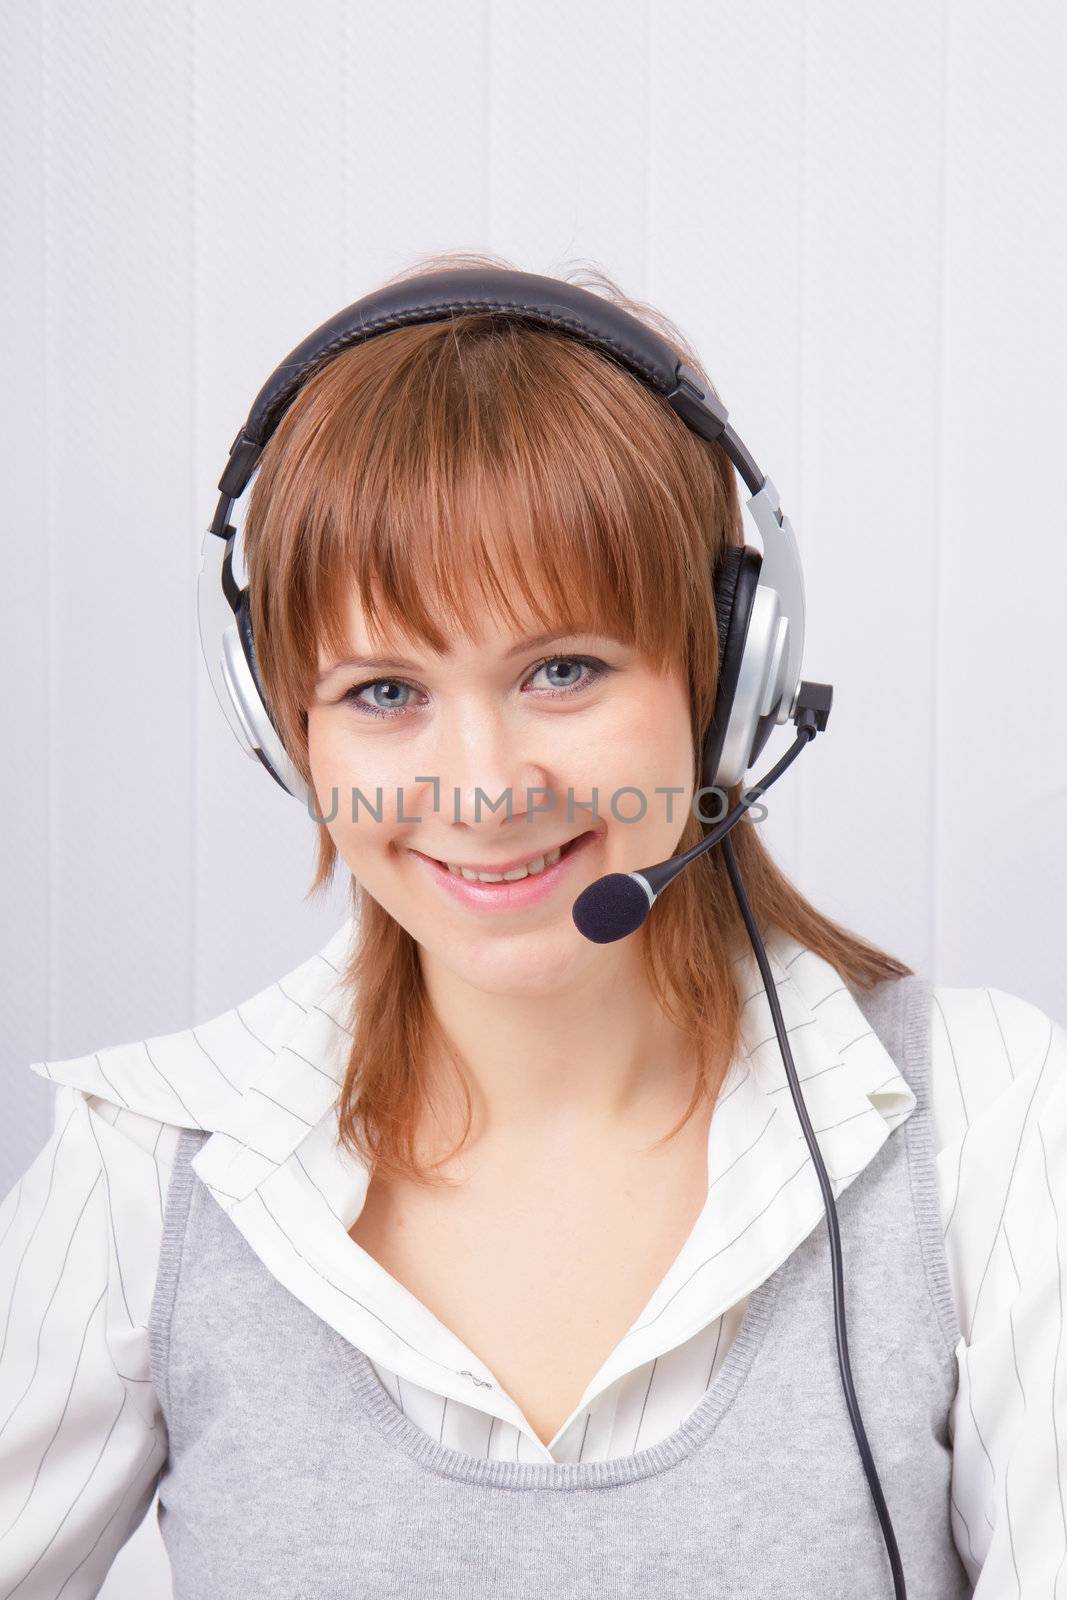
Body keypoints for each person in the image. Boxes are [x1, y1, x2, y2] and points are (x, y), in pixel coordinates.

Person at [2, 252, 1064, 1599]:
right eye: (385, 690)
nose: (487, 784)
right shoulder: (144, 1173)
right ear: (288, 733)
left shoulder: (987, 1122)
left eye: (564, 669)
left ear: (730, 678)